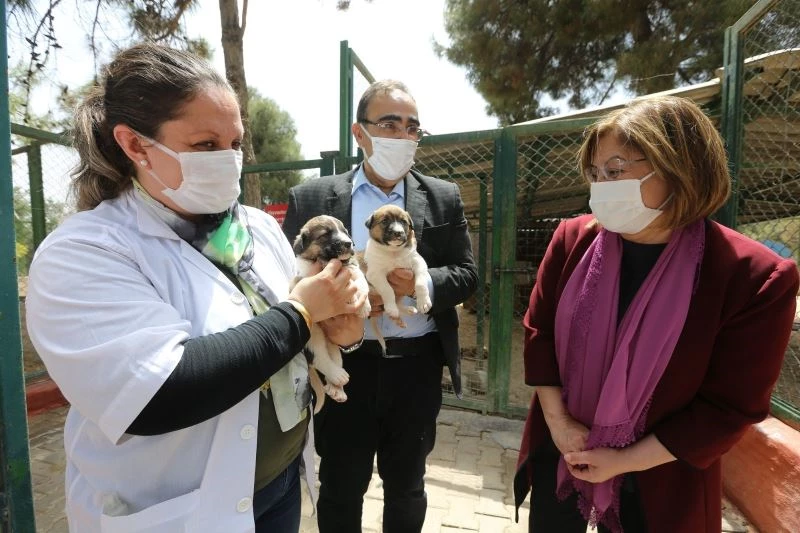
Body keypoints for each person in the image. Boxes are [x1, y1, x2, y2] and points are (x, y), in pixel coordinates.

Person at [24, 42, 365, 533]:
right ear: (136, 145)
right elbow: (158, 393)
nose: (227, 159)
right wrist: (301, 314)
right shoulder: (83, 252)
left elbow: (302, 337)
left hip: (279, 486)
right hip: (179, 513)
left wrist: (343, 331)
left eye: (235, 144)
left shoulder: (257, 227)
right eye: (206, 145)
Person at [513, 95, 799, 533]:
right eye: (595, 173)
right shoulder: (573, 239)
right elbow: (539, 333)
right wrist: (560, 423)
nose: (601, 186)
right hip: (563, 454)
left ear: (679, 167)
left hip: (662, 480)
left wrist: (624, 460)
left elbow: (730, 406)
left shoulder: (753, 276)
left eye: (617, 170)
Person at [282, 79, 478, 533]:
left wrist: (408, 286)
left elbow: (467, 274)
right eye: (389, 124)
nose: (402, 136)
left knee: (408, 485)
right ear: (359, 132)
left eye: (412, 128)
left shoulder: (442, 196)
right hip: (345, 363)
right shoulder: (311, 198)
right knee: (340, 485)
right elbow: (286, 280)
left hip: (416, 367)